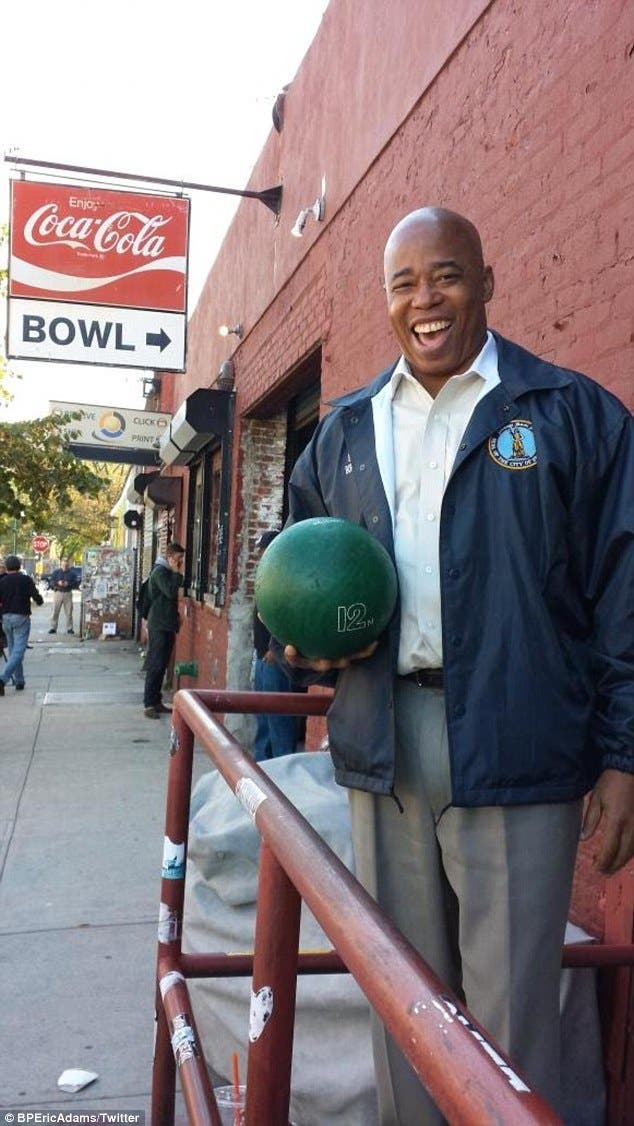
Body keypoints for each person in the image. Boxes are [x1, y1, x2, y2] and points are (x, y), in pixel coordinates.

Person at [276, 207, 634, 1122]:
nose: (425, 300)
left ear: (486, 282)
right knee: (404, 1010)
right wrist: (303, 647)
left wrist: (624, 755)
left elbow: (624, 594)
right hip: (383, 746)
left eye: (445, 275)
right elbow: (296, 574)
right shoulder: (345, 430)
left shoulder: (572, 415)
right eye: (403, 284)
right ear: (386, 300)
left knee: (511, 1035)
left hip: (521, 745)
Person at [252, 530, 299, 761]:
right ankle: (261, 767)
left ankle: (282, 767)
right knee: (262, 717)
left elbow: (290, 618)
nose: (260, 555)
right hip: (261, 657)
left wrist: (275, 649)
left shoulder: (286, 579)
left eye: (264, 550)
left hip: (275, 660)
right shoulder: (267, 576)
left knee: (278, 718)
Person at [143, 542, 185, 718]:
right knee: (156, 663)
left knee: (163, 663)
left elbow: (170, 598)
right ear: (170, 556)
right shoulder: (160, 571)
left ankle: (156, 701)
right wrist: (175, 572)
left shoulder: (166, 571)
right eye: (178, 558)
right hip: (158, 624)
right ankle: (149, 704)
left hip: (167, 622)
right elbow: (170, 591)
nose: (180, 561)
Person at [0, 554, 44, 695]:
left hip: (6, 618)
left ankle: (19, 680)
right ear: (19, 566)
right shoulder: (26, 580)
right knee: (18, 651)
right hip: (21, 617)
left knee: (13, 651)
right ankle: (2, 679)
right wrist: (39, 601)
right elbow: (36, 596)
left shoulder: (2, 581)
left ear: (7, 567)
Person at [48, 557, 80, 634]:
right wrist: (57, 583)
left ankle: (69, 628)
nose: (65, 567)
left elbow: (76, 583)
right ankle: (53, 627)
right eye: (63, 565)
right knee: (55, 611)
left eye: (66, 565)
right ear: (61, 564)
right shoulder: (56, 572)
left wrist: (68, 584)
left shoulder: (72, 574)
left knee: (69, 612)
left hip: (68, 593)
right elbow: (51, 582)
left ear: (68, 565)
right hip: (58, 593)